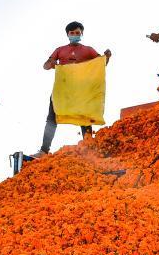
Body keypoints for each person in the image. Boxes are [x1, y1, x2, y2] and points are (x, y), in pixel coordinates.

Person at [35, 21, 112, 157]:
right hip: (63, 89)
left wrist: (108, 57)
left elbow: (101, 64)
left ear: (82, 34)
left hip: (82, 90)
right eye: (72, 33)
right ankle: (43, 151)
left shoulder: (88, 50)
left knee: (85, 118)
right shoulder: (60, 50)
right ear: (67, 34)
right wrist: (51, 63)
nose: (75, 35)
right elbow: (45, 66)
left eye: (78, 33)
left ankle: (89, 148)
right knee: (52, 118)